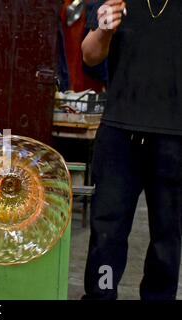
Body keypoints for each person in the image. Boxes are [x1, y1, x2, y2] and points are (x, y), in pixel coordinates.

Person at [82, 0, 182, 300]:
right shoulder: (115, 1)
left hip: (175, 136)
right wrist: (104, 30)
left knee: (167, 238)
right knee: (107, 234)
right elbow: (89, 55)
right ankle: (101, 293)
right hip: (119, 134)